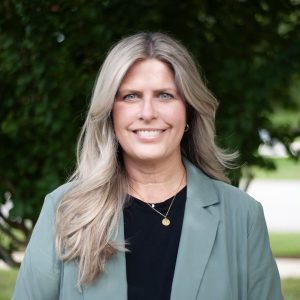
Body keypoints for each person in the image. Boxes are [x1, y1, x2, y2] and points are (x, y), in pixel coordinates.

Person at [13, 32, 283, 300]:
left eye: (165, 95)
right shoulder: (64, 210)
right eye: (130, 96)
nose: (148, 112)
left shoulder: (242, 216)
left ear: (188, 110)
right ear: (110, 113)